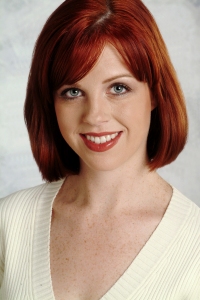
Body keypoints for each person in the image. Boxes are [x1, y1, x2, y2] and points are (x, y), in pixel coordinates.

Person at [0, 0, 200, 299]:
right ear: (50, 103)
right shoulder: (9, 223)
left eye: (118, 88)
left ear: (155, 94)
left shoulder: (194, 246)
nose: (94, 116)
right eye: (73, 92)